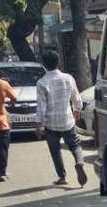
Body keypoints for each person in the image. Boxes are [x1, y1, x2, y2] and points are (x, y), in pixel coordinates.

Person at [36, 50, 87, 187]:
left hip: (50, 122)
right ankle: (79, 162)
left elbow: (41, 106)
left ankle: (62, 176)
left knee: (55, 150)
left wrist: (39, 125)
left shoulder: (42, 82)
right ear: (58, 62)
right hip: (67, 119)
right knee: (75, 144)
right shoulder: (68, 78)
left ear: (44, 65)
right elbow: (77, 98)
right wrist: (77, 110)